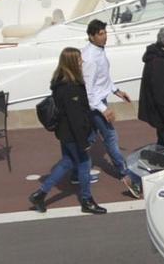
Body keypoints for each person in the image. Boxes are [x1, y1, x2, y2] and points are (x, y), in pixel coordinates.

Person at [28, 48, 106, 216]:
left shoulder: (59, 83)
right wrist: (83, 142)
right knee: (84, 164)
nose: (82, 62)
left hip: (64, 133)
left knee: (67, 162)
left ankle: (40, 194)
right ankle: (87, 200)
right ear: (72, 63)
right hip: (73, 134)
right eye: (79, 60)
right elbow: (75, 118)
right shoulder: (71, 88)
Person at [82, 19, 142, 198]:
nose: (105, 36)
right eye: (100, 34)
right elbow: (89, 90)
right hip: (95, 105)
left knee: (89, 140)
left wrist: (117, 91)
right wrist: (103, 109)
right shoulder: (90, 58)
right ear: (91, 36)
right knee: (110, 137)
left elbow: (104, 78)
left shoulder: (99, 51)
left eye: (105, 32)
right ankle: (125, 174)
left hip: (100, 102)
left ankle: (76, 170)